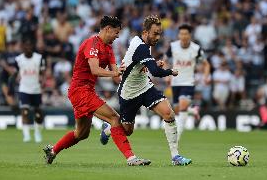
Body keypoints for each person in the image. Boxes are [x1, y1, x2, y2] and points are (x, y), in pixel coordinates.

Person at [43, 16, 150, 166]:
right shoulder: (91, 43)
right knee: (114, 118)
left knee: (81, 134)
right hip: (79, 91)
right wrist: (115, 73)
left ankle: (53, 151)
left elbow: (116, 75)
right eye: (116, 32)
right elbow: (95, 69)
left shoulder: (108, 48)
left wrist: (136, 75)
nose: (118, 36)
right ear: (107, 29)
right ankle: (131, 158)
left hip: (86, 91)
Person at [100, 15, 192, 166]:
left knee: (168, 114)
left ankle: (176, 157)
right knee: (127, 130)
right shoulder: (141, 47)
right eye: (155, 33)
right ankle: (108, 129)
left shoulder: (143, 43)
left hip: (145, 87)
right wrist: (170, 72)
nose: (158, 37)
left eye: (159, 33)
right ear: (145, 32)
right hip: (129, 93)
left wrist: (153, 64)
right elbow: (155, 72)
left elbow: (141, 65)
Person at [165, 24, 210, 141]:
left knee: (183, 106)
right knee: (177, 110)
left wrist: (206, 76)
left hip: (188, 82)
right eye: (181, 34)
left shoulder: (196, 49)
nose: (183, 36)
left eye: (186, 34)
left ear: (190, 35)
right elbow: (164, 60)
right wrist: (167, 74)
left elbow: (206, 64)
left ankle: (176, 138)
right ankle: (193, 110)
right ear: (178, 35)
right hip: (175, 82)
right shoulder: (173, 46)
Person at [8, 38, 46, 143]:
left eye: (30, 46)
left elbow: (42, 73)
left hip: (36, 89)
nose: (28, 48)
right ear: (23, 47)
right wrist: (10, 87)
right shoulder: (19, 59)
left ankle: (37, 132)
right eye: (26, 46)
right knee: (25, 111)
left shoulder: (39, 58)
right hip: (24, 89)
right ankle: (26, 135)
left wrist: (43, 81)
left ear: (32, 47)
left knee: (38, 114)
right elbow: (14, 74)